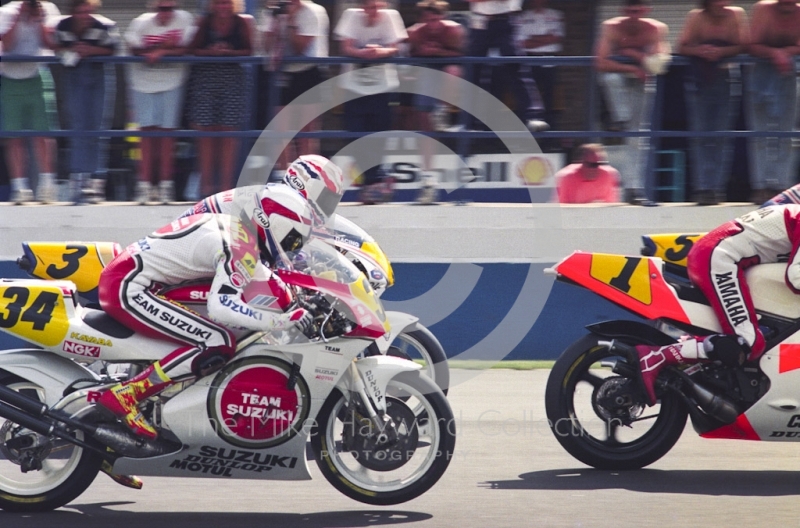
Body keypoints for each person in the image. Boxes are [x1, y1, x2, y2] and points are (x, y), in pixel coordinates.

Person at [97, 186, 314, 439]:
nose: (292, 250)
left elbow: (267, 282)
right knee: (217, 341)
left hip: (132, 279)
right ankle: (129, 394)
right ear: (272, 223)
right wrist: (281, 321)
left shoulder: (238, 232)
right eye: (292, 240)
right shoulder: (239, 245)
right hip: (129, 288)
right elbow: (221, 306)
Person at [635, 205, 800, 402]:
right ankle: (656, 356)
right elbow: (795, 277)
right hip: (720, 260)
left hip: (721, 257)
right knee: (749, 341)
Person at [594, 0, 670, 205]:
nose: (634, 15)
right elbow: (601, 62)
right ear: (623, 11)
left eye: (638, 11)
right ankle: (620, 119)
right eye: (630, 11)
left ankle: (633, 188)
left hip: (642, 84)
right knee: (610, 78)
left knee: (638, 138)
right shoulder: (611, 27)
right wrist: (633, 68)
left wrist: (632, 54)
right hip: (621, 79)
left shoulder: (655, 29)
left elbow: (658, 63)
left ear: (646, 10)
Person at [677, 0, 748, 206]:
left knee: (722, 136)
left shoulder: (736, 15)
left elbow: (744, 45)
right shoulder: (696, 17)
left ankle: (716, 189)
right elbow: (682, 46)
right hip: (699, 78)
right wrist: (701, 50)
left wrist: (721, 52)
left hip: (726, 77)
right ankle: (702, 189)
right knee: (699, 135)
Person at [334, 0, 406, 202]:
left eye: (376, 7)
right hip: (353, 87)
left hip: (383, 87)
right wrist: (363, 53)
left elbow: (395, 47)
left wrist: (379, 52)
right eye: (368, 7)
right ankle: (373, 181)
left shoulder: (391, 16)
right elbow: (346, 47)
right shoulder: (351, 15)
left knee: (378, 136)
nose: (372, 11)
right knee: (354, 135)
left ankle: (375, 184)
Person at [125, 0, 196, 204]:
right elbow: (133, 47)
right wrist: (160, 47)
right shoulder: (140, 22)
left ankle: (165, 187)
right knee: (146, 136)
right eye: (161, 8)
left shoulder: (185, 19)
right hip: (142, 83)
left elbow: (186, 48)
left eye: (169, 8)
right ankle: (145, 186)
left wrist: (162, 52)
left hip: (172, 82)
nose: (165, 13)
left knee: (167, 136)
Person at [53, 0, 118, 203]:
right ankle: (78, 180)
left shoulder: (105, 25)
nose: (84, 15)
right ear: (73, 11)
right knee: (77, 128)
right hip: (73, 75)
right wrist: (73, 51)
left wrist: (91, 51)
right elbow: (57, 48)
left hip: (100, 75)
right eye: (80, 11)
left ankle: (97, 182)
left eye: (88, 11)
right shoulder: (63, 26)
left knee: (99, 129)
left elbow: (114, 49)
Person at [187, 0, 252, 196]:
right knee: (205, 133)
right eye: (219, 3)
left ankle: (226, 190)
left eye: (227, 3)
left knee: (229, 134)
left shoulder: (242, 23)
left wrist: (229, 53)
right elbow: (192, 49)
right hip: (205, 79)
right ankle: (206, 189)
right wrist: (210, 52)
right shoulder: (203, 22)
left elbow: (250, 50)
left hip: (232, 80)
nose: (223, 7)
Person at [0, 0, 60, 204]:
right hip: (9, 78)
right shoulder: (5, 12)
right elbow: (6, 44)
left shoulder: (48, 8)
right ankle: (20, 188)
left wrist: (39, 19)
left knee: (43, 135)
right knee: (14, 137)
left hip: (38, 75)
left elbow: (52, 44)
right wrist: (19, 16)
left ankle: (47, 186)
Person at [181, 154, 345, 225]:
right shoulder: (279, 203)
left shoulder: (282, 198)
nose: (328, 206)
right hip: (198, 232)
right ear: (302, 185)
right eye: (325, 198)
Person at [261, 0, 328, 172]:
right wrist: (277, 21)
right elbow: (266, 47)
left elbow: (300, 47)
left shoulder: (313, 12)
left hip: (309, 71)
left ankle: (306, 180)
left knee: (307, 134)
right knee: (280, 130)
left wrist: (290, 20)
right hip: (282, 72)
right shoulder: (273, 11)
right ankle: (285, 176)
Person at [407, 0, 463, 199]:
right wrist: (421, 53)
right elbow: (407, 57)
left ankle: (443, 110)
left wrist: (437, 52)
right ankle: (428, 178)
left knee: (453, 70)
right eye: (429, 20)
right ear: (422, 19)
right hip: (424, 74)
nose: (433, 24)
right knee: (425, 124)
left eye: (437, 19)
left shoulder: (454, 31)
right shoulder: (414, 33)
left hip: (448, 74)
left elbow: (461, 56)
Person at [745, 0, 800, 205]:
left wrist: (786, 53)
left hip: (789, 75)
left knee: (787, 133)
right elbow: (751, 44)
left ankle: (782, 186)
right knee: (759, 133)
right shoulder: (763, 9)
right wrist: (774, 53)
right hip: (760, 75)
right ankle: (761, 186)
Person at [467, 0, 548, 133]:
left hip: (505, 21)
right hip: (478, 21)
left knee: (516, 66)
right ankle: (469, 123)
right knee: (472, 70)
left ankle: (533, 117)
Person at [514, 0, 564, 132]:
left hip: (550, 58)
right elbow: (521, 43)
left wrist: (534, 38)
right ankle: (528, 131)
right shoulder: (522, 17)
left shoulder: (556, 15)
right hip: (530, 59)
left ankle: (549, 135)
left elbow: (556, 38)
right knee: (530, 95)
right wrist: (545, 38)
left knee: (549, 97)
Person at [553, 143, 621, 204]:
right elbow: (561, 208)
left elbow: (611, 207)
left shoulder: (609, 175)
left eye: (597, 165)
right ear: (582, 162)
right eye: (590, 164)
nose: (594, 169)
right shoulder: (566, 177)